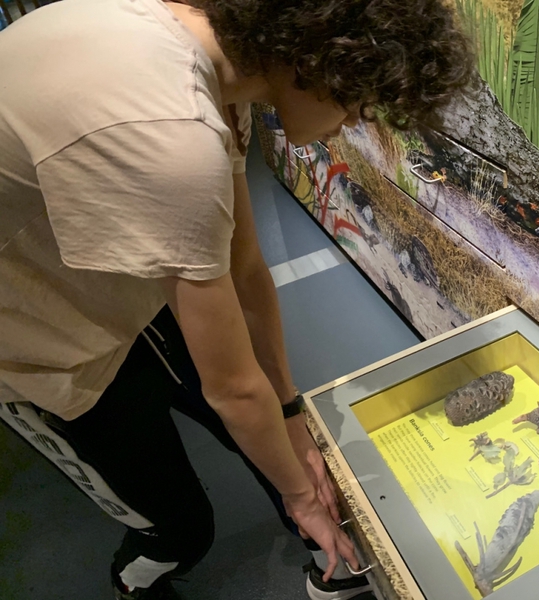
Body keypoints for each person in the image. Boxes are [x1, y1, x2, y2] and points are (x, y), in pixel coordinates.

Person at [0, 0, 473, 598]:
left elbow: (244, 268)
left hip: (119, 275)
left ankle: (332, 551)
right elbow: (232, 387)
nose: (351, 121)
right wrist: (301, 494)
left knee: (270, 434)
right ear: (319, 59)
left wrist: (291, 411)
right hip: (34, 339)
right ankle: (139, 583)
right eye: (357, 101)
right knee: (177, 527)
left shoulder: (214, 67)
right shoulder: (175, 137)